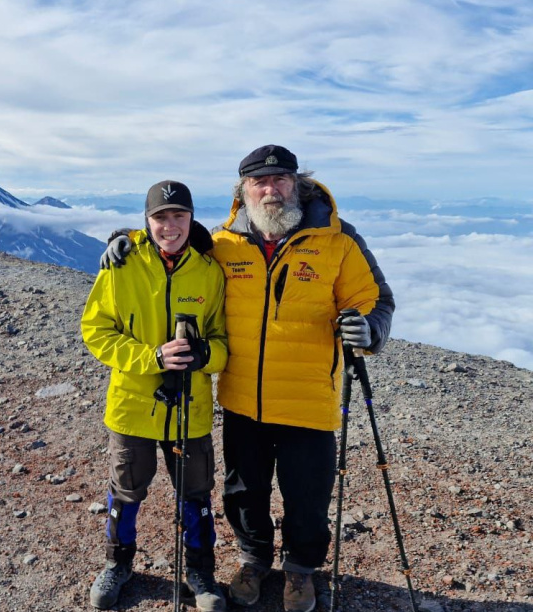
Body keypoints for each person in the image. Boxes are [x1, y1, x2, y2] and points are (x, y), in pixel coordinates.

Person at [101, 145, 394, 612]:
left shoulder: (339, 240)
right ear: (244, 191)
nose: (271, 189)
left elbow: (376, 300)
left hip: (308, 398)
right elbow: (170, 241)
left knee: (307, 495)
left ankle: (300, 571)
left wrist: (371, 329)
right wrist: (122, 238)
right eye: (260, 182)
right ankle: (253, 560)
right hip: (244, 399)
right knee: (244, 491)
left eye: (280, 180)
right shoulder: (223, 244)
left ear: (297, 184)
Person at [82, 180, 230, 611]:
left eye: (179, 215)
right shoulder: (121, 266)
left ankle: (201, 572)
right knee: (126, 489)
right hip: (133, 406)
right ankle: (117, 563)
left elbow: (223, 342)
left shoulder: (208, 272)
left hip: (190, 406)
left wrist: (205, 353)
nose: (170, 226)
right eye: (160, 217)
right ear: (147, 222)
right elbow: (96, 330)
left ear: (191, 218)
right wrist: (153, 357)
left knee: (196, 493)